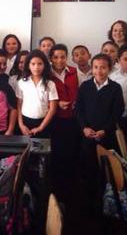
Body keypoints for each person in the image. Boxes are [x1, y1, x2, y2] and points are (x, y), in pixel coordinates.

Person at [75, 53, 124, 210]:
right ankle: (88, 204)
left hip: (106, 136)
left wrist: (105, 129)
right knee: (87, 168)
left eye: (103, 67)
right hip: (87, 135)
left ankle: (106, 202)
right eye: (96, 67)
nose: (99, 71)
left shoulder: (115, 88)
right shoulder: (85, 86)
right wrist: (84, 127)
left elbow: (117, 112)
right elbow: (79, 110)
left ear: (109, 69)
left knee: (106, 170)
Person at [49, 44, 80, 175]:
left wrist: (77, 102)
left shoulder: (74, 71)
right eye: (56, 57)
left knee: (71, 149)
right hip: (55, 117)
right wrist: (57, 103)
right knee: (56, 149)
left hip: (73, 117)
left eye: (62, 57)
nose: (59, 60)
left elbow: (82, 90)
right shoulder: (47, 73)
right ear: (51, 58)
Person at [16, 50, 58, 139]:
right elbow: (18, 105)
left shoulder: (50, 84)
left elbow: (53, 109)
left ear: (45, 65)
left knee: (41, 150)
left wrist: (41, 127)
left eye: (40, 64)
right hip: (25, 122)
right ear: (28, 65)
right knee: (25, 150)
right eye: (33, 64)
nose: (36, 67)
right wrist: (21, 125)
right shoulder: (22, 82)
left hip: (44, 122)